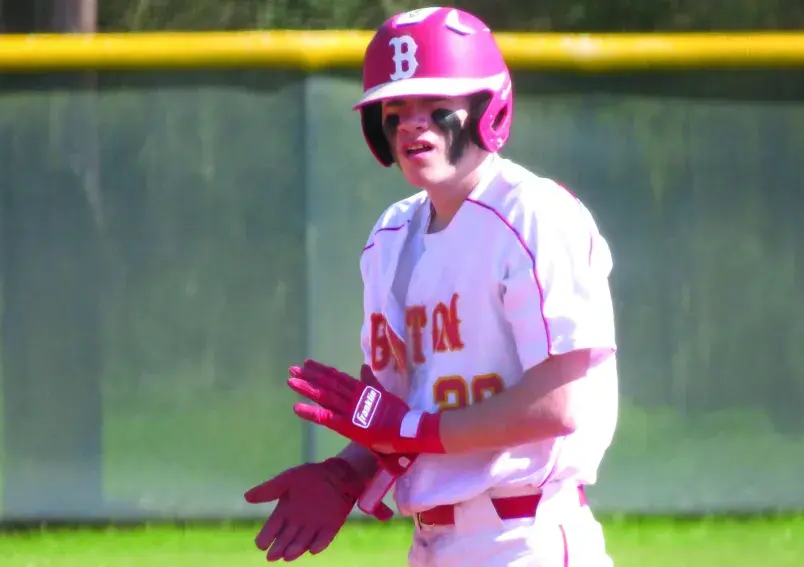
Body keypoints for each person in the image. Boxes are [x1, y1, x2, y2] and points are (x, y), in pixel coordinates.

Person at [244, 6, 619, 566]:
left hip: (525, 536)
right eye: (395, 110)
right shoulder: (391, 236)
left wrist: (409, 427)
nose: (410, 124)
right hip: (431, 542)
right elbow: (396, 414)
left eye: (433, 103)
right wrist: (346, 471)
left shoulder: (534, 216)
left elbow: (557, 405)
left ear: (488, 107)